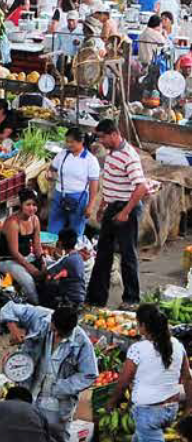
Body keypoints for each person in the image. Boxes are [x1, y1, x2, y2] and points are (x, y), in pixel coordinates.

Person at [107, 303, 192, 442]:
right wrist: (188, 406)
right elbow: (187, 378)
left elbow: (123, 381)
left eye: (138, 324)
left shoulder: (138, 349)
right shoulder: (177, 345)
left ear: (144, 326)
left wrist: (112, 401)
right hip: (169, 409)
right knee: (141, 441)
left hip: (148, 413)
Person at [1, 302, 98, 442]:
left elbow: (89, 374)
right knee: (26, 436)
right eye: (56, 330)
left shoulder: (82, 342)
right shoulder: (40, 317)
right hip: (30, 391)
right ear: (52, 321)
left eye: (63, 334)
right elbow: (9, 308)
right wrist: (14, 329)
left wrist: (61, 387)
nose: (57, 335)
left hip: (57, 403)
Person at [87, 119, 150, 310]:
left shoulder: (129, 156)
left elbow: (141, 187)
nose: (101, 142)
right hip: (112, 207)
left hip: (126, 209)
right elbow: (111, 181)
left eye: (102, 137)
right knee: (103, 254)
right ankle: (96, 299)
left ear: (114, 134)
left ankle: (131, 299)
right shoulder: (111, 153)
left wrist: (125, 212)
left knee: (127, 255)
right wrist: (102, 206)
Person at [49, 126, 100, 237]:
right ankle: (52, 250)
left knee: (75, 232)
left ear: (81, 141)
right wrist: (49, 173)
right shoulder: (62, 154)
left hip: (79, 198)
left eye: (71, 142)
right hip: (59, 196)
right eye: (67, 141)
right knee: (53, 229)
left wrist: (90, 205)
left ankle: (74, 252)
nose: (68, 144)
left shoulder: (90, 160)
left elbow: (93, 185)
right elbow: (52, 168)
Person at [0, 189, 45, 302]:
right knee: (27, 280)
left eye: (34, 205)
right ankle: (36, 304)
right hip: (8, 260)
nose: (32, 208)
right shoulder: (13, 223)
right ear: (21, 205)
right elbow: (14, 252)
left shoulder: (35, 220)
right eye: (28, 205)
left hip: (26, 257)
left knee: (50, 269)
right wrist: (30, 267)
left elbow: (37, 245)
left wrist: (42, 261)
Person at [39, 228, 87, 309]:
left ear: (60, 243)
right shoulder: (78, 256)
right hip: (80, 297)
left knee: (46, 285)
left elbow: (46, 271)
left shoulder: (67, 260)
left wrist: (42, 260)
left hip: (70, 300)